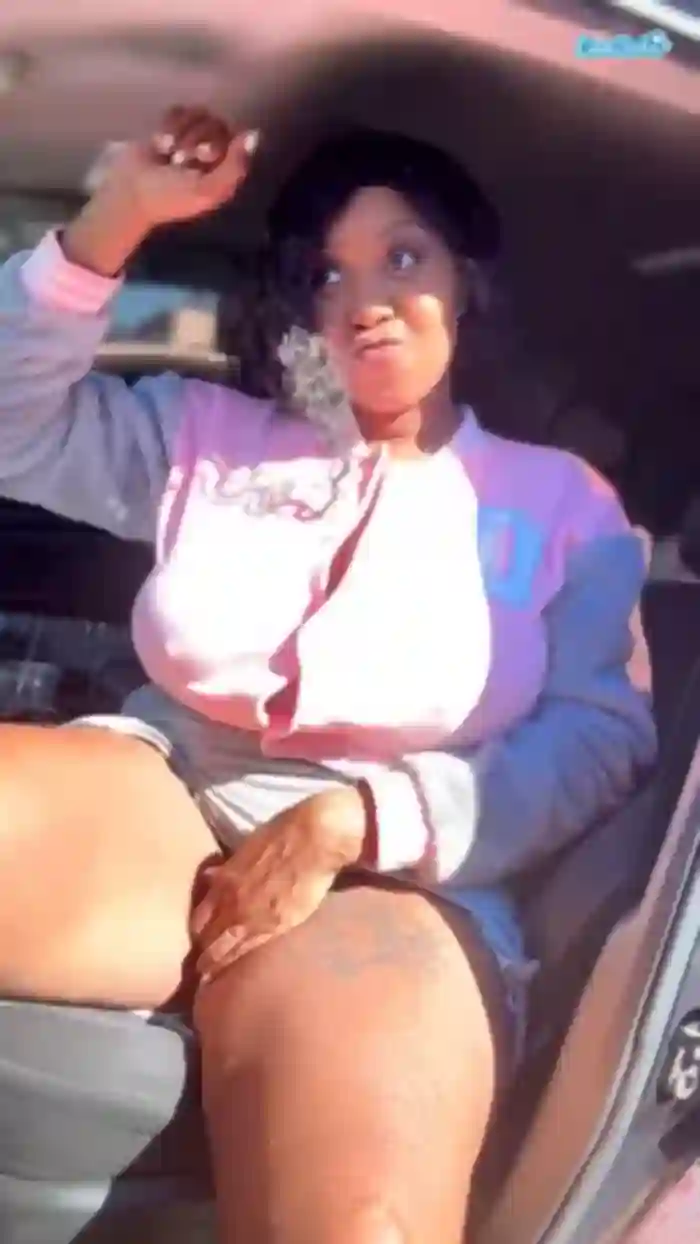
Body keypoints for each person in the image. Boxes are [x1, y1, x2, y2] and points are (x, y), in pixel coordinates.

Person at [0, 106, 655, 1244]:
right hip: (166, 794)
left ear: (465, 283)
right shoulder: (205, 435)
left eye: (402, 258)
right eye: (328, 273)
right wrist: (119, 219)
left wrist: (364, 817)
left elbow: (602, 735)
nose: (365, 300)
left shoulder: (563, 505)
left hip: (402, 879)